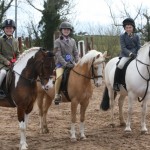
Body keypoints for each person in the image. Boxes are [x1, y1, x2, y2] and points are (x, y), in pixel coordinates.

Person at [53, 21, 79, 105]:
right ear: (61, 30)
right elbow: (58, 54)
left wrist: (77, 60)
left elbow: (75, 52)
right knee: (60, 77)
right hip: (61, 64)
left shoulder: (73, 41)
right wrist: (65, 64)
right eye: (64, 29)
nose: (66, 31)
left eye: (68, 29)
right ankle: (57, 95)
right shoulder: (57, 41)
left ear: (70, 31)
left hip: (72, 63)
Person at [113, 18, 141, 91]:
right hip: (126, 54)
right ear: (125, 28)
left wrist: (138, 53)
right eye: (127, 28)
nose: (128, 29)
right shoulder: (122, 36)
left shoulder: (137, 36)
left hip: (136, 54)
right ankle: (116, 83)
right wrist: (130, 54)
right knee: (120, 65)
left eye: (130, 27)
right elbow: (123, 47)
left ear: (133, 28)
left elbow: (138, 46)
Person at [0, 19, 20, 98]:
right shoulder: (1, 40)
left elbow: (17, 53)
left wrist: (18, 60)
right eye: (7, 28)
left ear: (13, 29)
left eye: (10, 28)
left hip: (13, 63)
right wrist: (6, 61)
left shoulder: (15, 41)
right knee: (3, 73)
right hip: (2, 63)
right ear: (4, 29)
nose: (9, 30)